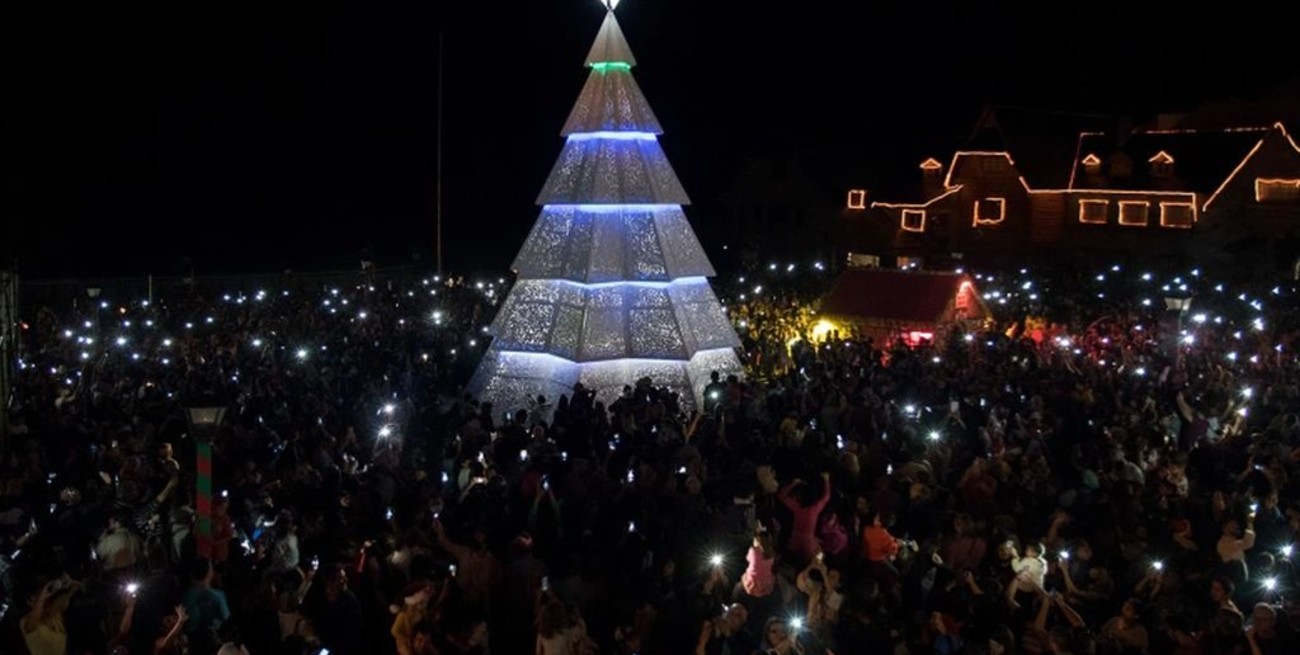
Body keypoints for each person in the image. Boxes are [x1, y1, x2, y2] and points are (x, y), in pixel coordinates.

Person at [182, 557, 231, 655]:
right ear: (209, 573)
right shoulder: (218, 597)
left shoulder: (185, 595)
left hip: (192, 646)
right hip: (212, 646)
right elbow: (228, 621)